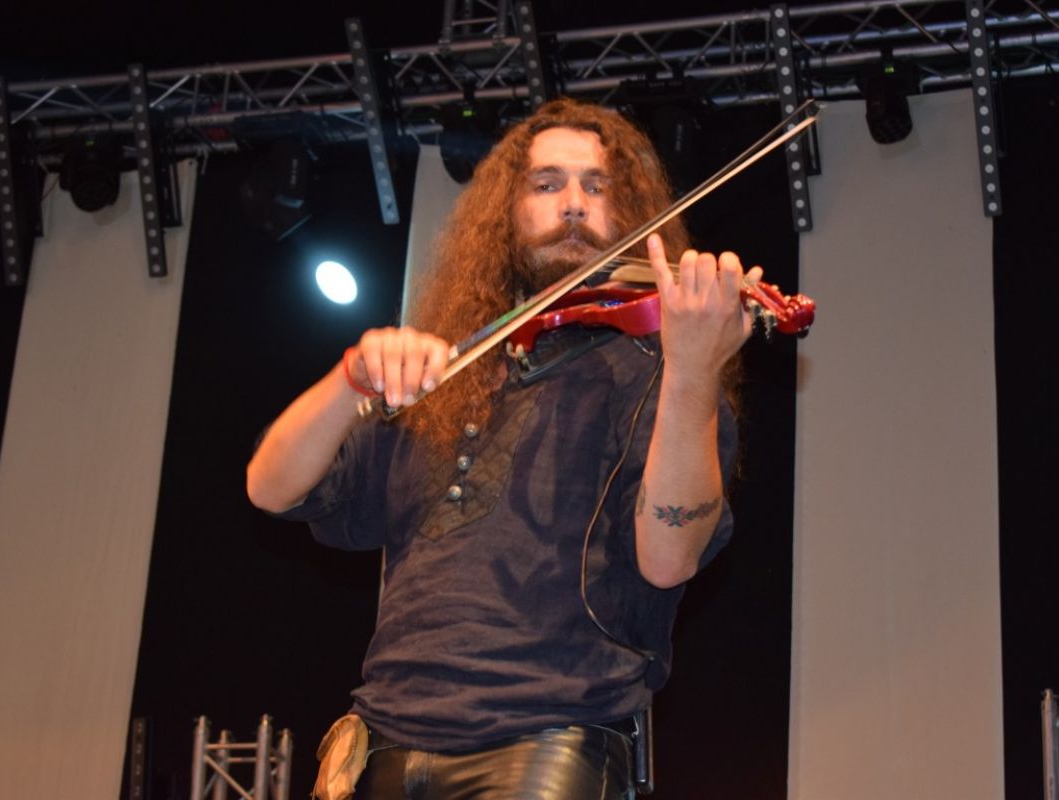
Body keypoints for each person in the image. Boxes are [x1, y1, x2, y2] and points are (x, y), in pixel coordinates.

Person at [246, 97, 763, 799]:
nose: (573, 204)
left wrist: (694, 370)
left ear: (629, 215)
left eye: (597, 186)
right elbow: (271, 487)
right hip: (386, 733)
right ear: (506, 212)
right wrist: (351, 379)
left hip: (549, 739)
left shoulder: (653, 375)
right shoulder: (449, 369)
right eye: (547, 184)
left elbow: (670, 559)